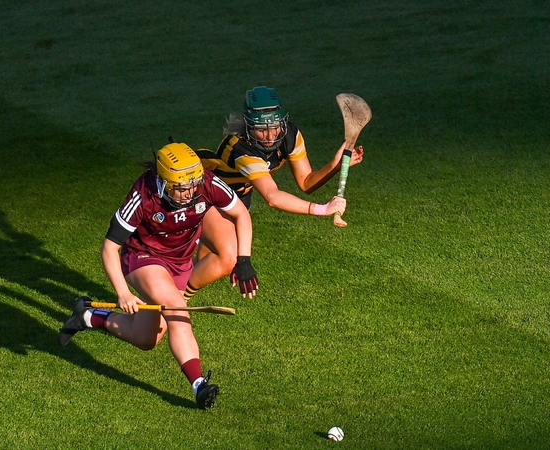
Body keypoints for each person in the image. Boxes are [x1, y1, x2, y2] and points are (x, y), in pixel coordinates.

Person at [58, 142, 258, 410]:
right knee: (179, 314)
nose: (188, 193)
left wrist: (243, 261)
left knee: (145, 339)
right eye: (180, 187)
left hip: (180, 262)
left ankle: (88, 315)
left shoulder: (205, 184)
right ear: (163, 181)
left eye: (192, 185)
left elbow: (240, 214)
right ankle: (199, 384)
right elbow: (109, 247)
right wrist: (123, 292)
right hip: (143, 259)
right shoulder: (143, 196)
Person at [182, 86, 364, 300]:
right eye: (261, 129)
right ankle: (178, 300)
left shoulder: (290, 135)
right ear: (249, 126)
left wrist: (335, 165)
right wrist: (322, 209)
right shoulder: (241, 147)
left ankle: (173, 293)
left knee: (202, 265)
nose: (270, 136)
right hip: (207, 197)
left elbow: (306, 182)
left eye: (275, 127)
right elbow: (272, 197)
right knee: (227, 259)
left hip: (237, 200)